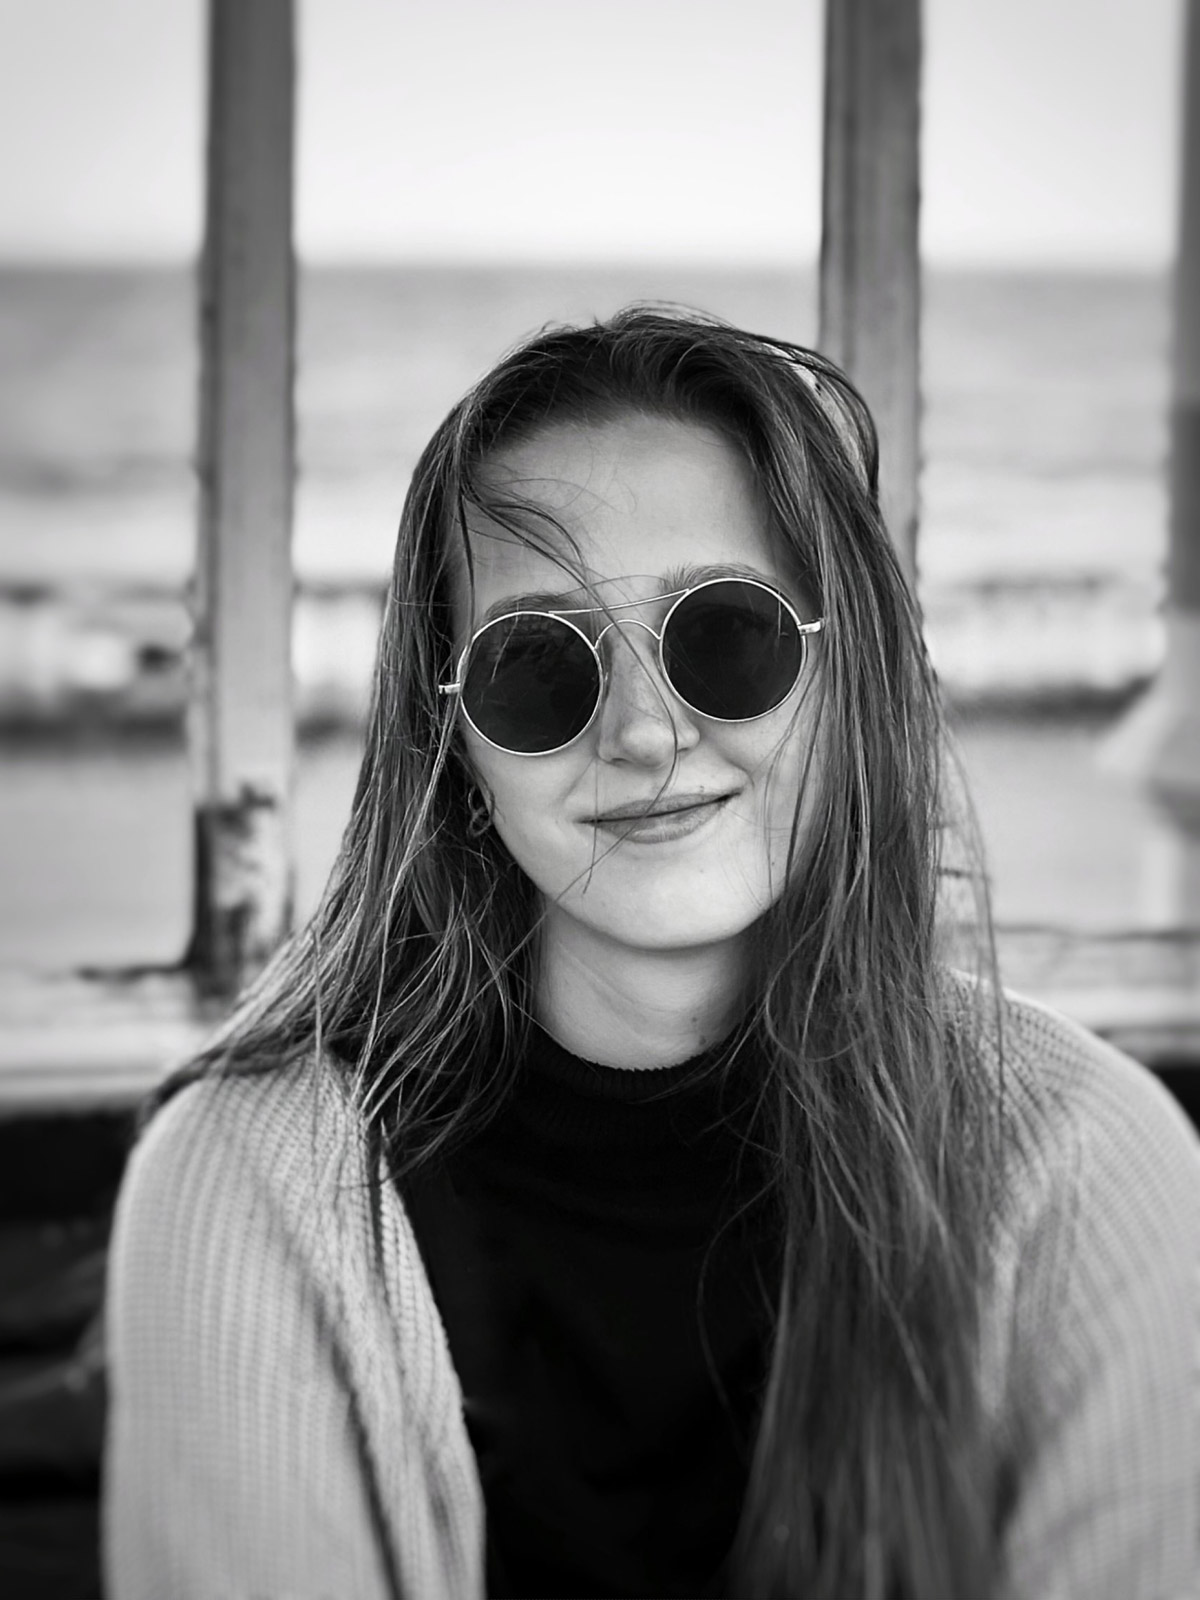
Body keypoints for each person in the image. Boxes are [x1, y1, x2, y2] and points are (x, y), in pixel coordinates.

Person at [102, 306, 1200, 1600]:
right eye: (535, 664)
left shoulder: (1088, 1167)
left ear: (850, 681)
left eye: (725, 635)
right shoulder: (244, 1185)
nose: (641, 732)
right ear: (454, 748)